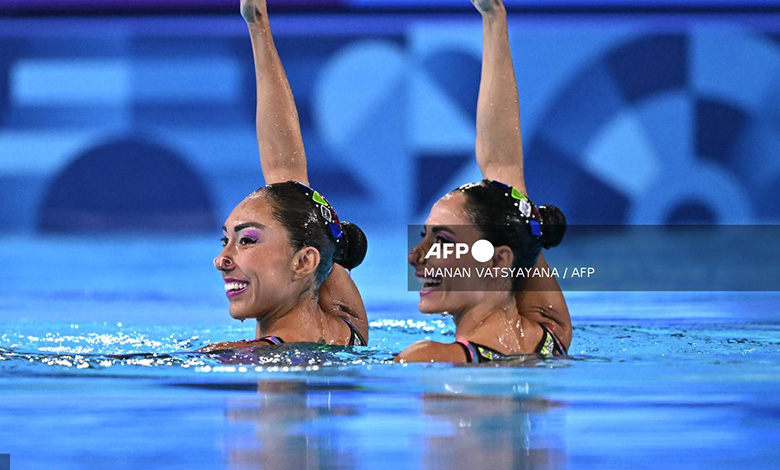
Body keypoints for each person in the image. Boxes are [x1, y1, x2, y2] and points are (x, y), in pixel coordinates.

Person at [395, 0, 571, 363]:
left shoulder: (426, 358)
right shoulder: (553, 338)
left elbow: (505, 180)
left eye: (442, 240)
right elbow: (505, 178)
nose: (416, 256)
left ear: (497, 262)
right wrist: (494, 19)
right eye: (423, 237)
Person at [199, 0, 368, 352]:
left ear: (305, 261)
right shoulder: (349, 329)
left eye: (246, 240)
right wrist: (258, 25)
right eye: (226, 240)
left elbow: (289, 181)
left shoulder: (235, 357)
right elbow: (289, 180)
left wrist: (257, 27)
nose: (222, 260)